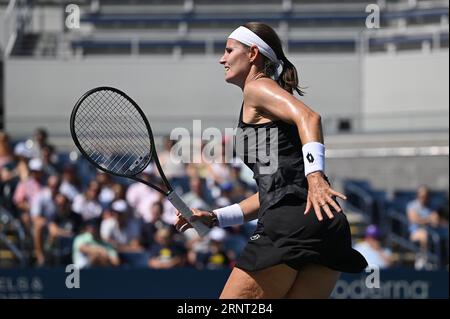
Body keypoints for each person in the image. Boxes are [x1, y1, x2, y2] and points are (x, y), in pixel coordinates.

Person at [175, 22, 367, 299]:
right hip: (325, 222)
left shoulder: (257, 89)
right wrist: (218, 218)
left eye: (229, 51)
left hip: (289, 223)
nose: (222, 59)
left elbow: (310, 118)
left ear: (253, 53)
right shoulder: (263, 97)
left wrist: (315, 176)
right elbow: (273, 190)